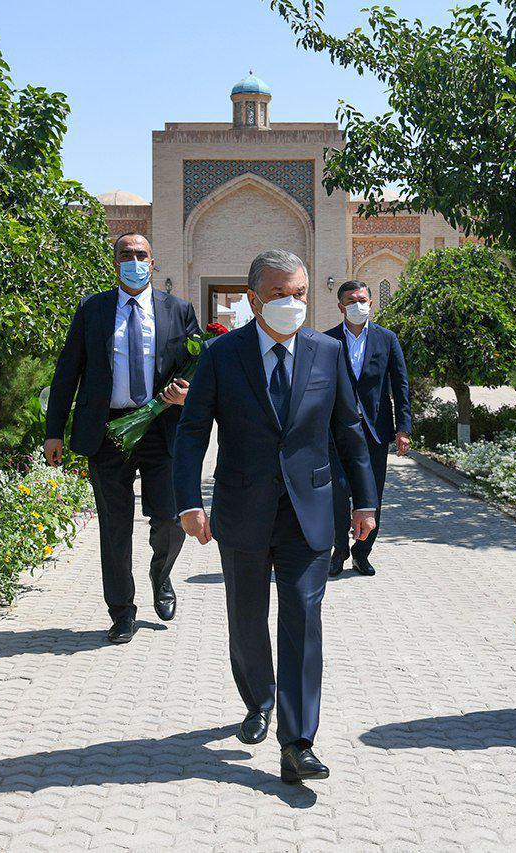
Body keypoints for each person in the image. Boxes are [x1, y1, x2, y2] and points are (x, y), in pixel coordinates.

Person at [174, 250, 377, 784]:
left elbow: (350, 431)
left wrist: (365, 501)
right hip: (242, 511)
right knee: (246, 620)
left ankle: (298, 741)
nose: (293, 304)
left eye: (301, 294)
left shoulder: (326, 352)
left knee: (303, 620)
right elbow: (193, 432)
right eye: (282, 294)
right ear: (254, 297)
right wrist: (190, 502)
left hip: (309, 513)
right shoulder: (222, 354)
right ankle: (258, 699)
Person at [44, 233, 200, 645]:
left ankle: (160, 574)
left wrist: (185, 392)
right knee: (115, 526)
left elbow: (198, 364)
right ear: (115, 261)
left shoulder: (177, 310)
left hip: (160, 427)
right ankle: (122, 611)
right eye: (126, 254)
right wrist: (54, 431)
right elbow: (67, 372)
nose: (134, 260)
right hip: (107, 431)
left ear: (154, 261)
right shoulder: (93, 309)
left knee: (170, 518)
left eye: (141, 254)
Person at [324, 280, 412, 576]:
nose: (358, 305)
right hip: (336, 433)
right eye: (351, 300)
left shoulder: (387, 339)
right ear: (340, 307)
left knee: (372, 496)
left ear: (371, 303)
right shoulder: (328, 341)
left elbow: (400, 386)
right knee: (337, 494)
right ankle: (339, 551)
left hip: (374, 432)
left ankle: (363, 553)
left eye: (363, 299)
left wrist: (404, 428)